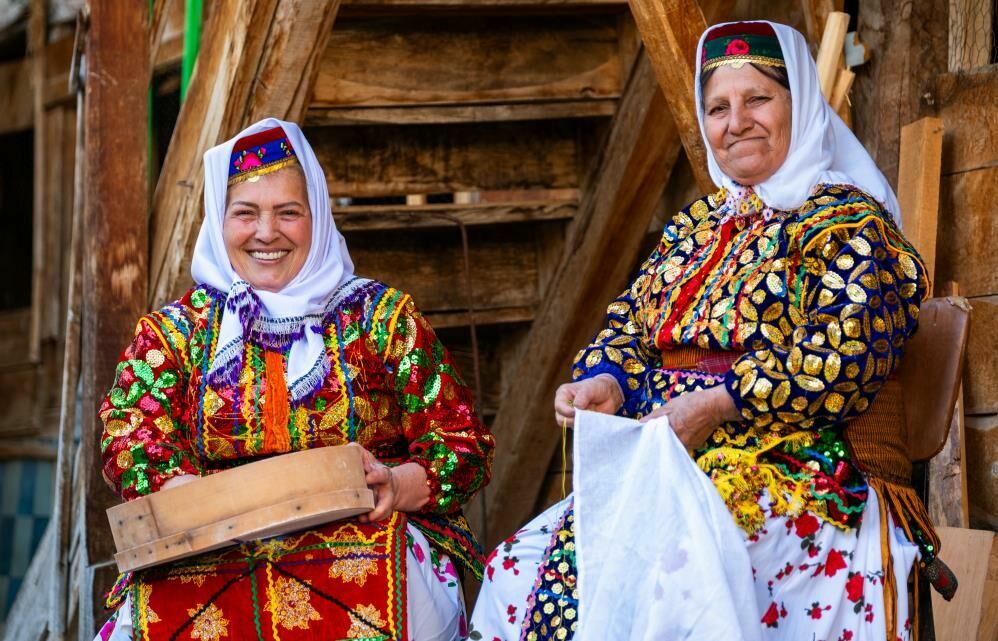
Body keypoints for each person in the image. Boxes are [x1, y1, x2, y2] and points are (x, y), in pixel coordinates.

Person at [472, 21, 950, 641]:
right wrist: (606, 380)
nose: (737, 122)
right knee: (516, 568)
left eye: (758, 99)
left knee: (673, 579)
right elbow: (631, 325)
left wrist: (720, 404)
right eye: (718, 108)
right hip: (676, 463)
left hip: (802, 469)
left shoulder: (846, 224)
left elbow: (843, 353)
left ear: (798, 105)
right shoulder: (696, 228)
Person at [95, 118, 495, 641]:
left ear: (318, 217)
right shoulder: (179, 333)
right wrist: (192, 497)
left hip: (370, 541)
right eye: (245, 213)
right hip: (211, 548)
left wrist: (397, 486)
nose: (266, 233)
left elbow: (463, 442)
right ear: (219, 219)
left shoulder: (381, 319)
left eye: (289, 212)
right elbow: (127, 431)